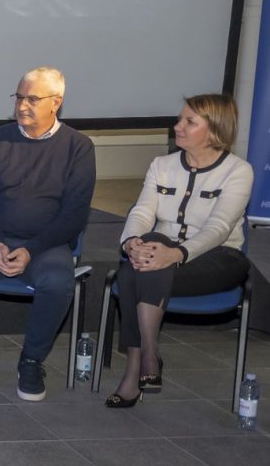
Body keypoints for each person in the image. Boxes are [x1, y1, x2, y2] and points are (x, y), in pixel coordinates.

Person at [0, 66, 95, 402]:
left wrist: (30, 249)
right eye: (19, 97)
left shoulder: (78, 147)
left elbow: (74, 214)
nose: (22, 105)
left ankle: (31, 361)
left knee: (58, 282)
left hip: (47, 244)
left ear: (55, 103)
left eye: (32, 99)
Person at [105, 94, 253, 408]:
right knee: (142, 257)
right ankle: (148, 360)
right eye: (179, 119)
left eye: (189, 122)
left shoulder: (239, 171)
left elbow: (219, 228)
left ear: (214, 131)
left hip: (218, 258)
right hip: (161, 254)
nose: (177, 127)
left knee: (142, 267)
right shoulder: (162, 165)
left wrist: (176, 254)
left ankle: (139, 363)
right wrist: (131, 242)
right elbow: (142, 212)